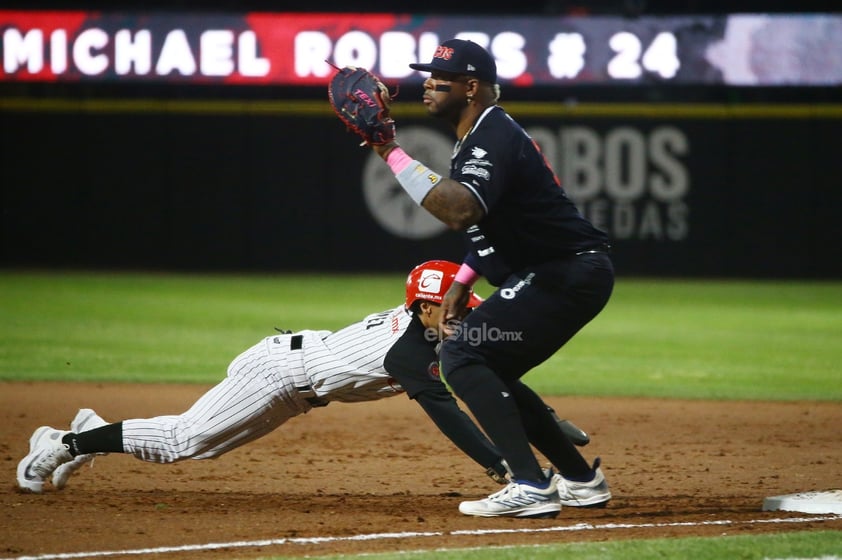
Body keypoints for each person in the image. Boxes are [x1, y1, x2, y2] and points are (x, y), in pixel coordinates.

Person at [16, 260, 604, 509]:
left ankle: (94, 431)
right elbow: (447, 410)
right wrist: (502, 465)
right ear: (423, 307)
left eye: (463, 303)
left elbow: (497, 381)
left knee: (197, 445)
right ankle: (61, 446)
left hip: (297, 385)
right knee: (181, 443)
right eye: (449, 305)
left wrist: (554, 425)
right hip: (275, 374)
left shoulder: (440, 334)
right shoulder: (410, 350)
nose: (460, 312)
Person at [369, 39, 615, 518]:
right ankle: (582, 481)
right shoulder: (480, 134)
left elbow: (460, 211)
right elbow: (493, 221)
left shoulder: (490, 135)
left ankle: (530, 484)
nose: (427, 84)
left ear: (471, 86)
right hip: (562, 270)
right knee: (488, 366)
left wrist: (388, 151)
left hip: (565, 271)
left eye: (439, 78)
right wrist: (463, 278)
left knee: (460, 355)